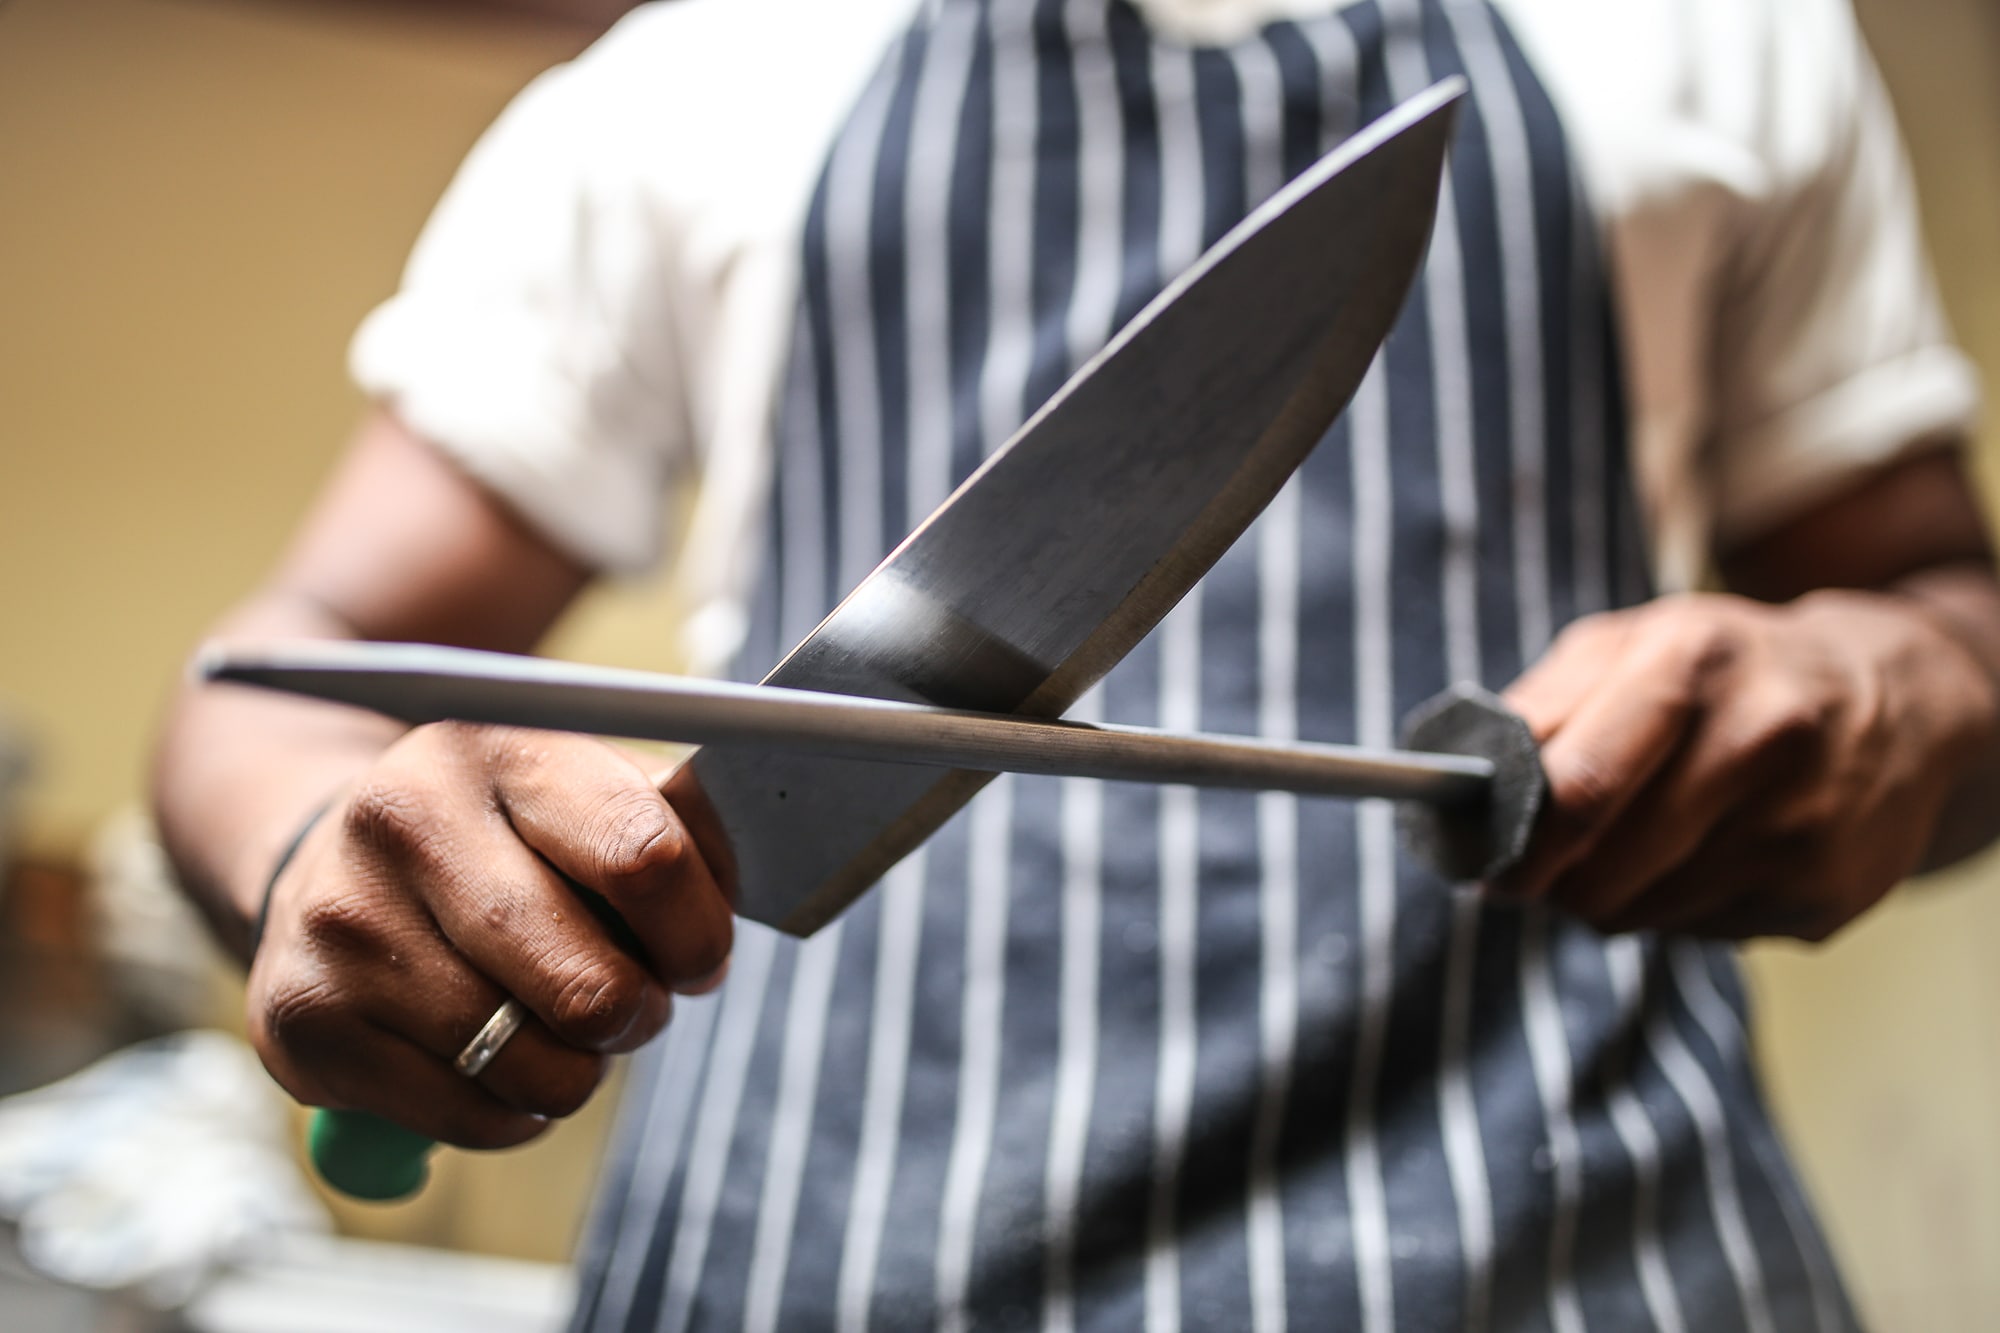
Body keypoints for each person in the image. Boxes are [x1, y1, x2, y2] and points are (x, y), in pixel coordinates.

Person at [153, 0, 2000, 1328]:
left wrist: (1897, 693)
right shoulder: (694, 69)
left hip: (1592, 1265)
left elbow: (1939, 608)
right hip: (809, 1255)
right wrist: (328, 840)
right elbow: (286, 670)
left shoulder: (1726, 34)